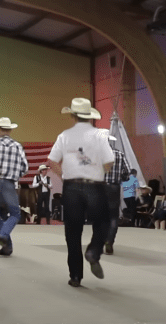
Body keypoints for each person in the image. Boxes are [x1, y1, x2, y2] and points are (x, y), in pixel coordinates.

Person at [47, 98, 113, 288]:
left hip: (72, 187)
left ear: (73, 116)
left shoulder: (64, 136)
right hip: (94, 186)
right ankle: (93, 251)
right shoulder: (100, 135)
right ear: (89, 117)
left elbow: (52, 161)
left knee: (73, 232)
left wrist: (65, 175)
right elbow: (109, 162)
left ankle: (75, 275)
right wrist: (97, 170)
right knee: (103, 221)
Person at [0, 117, 28, 256]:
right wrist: (15, 175)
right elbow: (25, 167)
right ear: (10, 130)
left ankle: (4, 236)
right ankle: (7, 246)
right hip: (10, 184)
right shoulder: (18, 146)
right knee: (15, 214)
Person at [103, 132, 130, 255]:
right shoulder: (120, 154)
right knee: (114, 217)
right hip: (114, 188)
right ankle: (110, 241)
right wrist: (122, 177)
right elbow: (128, 173)